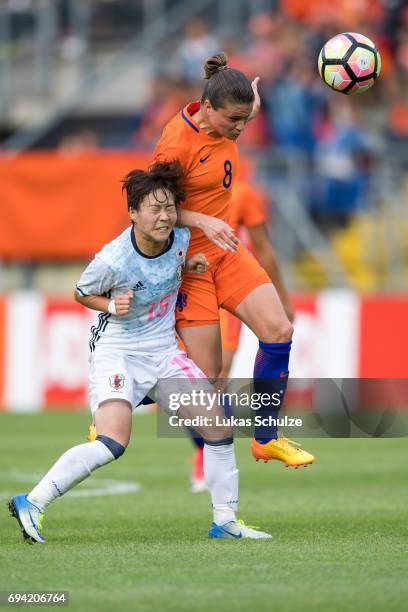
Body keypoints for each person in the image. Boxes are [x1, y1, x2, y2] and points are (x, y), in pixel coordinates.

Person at [8, 161, 271, 542]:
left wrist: (191, 266)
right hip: (118, 353)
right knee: (112, 443)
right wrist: (113, 306)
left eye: (169, 208)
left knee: (218, 426)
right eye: (154, 209)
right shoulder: (113, 259)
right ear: (133, 213)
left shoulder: (181, 240)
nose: (164, 217)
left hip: (163, 353)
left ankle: (226, 521)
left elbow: (169, 269)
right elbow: (81, 292)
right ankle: (33, 501)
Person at [153, 52, 314, 467]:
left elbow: (242, 111)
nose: (241, 129)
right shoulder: (175, 144)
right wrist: (202, 220)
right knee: (209, 382)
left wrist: (251, 105)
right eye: (234, 121)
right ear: (207, 109)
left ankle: (266, 438)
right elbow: (148, 207)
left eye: (246, 119)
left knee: (279, 329)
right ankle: (122, 394)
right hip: (190, 267)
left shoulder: (228, 115)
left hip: (227, 254)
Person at [189, 177, 295, 492]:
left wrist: (282, 300)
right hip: (190, 288)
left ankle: (213, 459)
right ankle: (201, 451)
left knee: (218, 374)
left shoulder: (244, 194)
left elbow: (263, 249)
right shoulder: (183, 195)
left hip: (227, 287)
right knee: (189, 378)